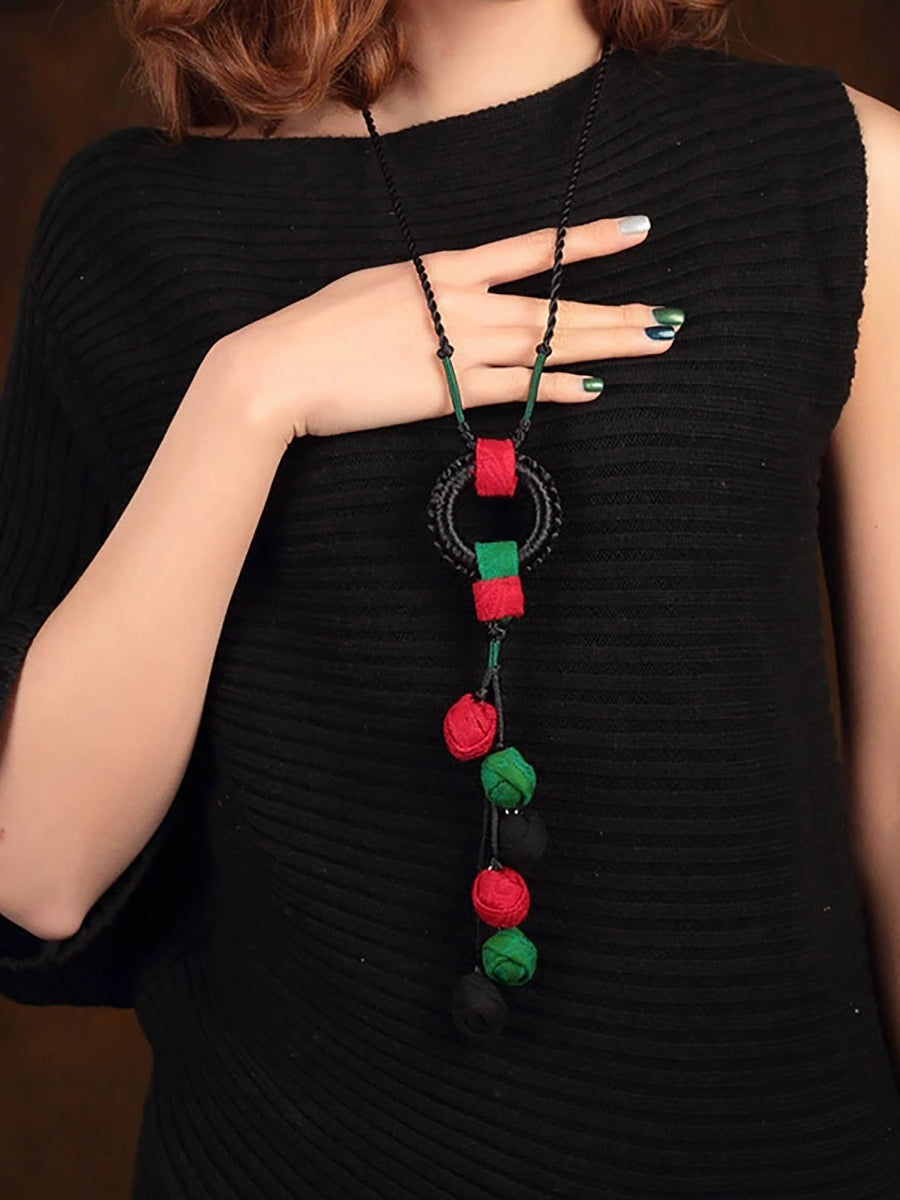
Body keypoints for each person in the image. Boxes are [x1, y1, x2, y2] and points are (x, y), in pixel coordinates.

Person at [1, 0, 899, 1194]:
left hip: (771, 1149)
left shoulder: (841, 169)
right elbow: (38, 869)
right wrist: (251, 393)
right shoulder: (128, 221)